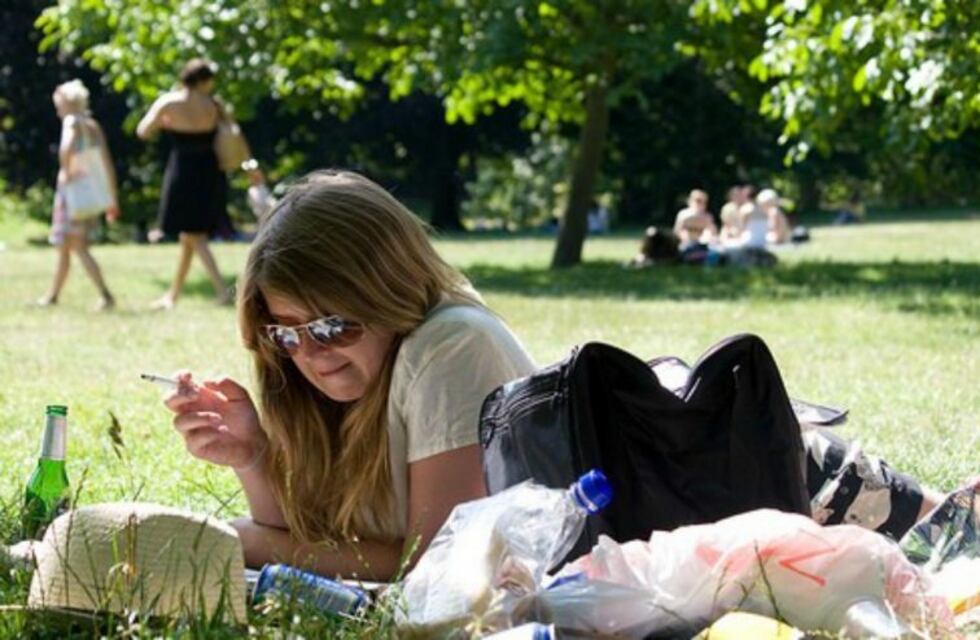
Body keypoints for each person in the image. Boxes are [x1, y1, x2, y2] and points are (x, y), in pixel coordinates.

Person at [162, 170, 536, 580]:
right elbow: (314, 540)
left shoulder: (454, 344)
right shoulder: (331, 369)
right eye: (286, 332)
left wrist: (250, 543)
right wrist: (253, 456)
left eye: (331, 325)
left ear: (388, 290)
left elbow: (435, 564)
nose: (309, 352)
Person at [137, 58, 233, 309]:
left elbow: (143, 131)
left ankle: (222, 290)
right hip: (209, 170)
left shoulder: (169, 102)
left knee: (194, 235)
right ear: (203, 80)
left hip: (183, 169)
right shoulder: (214, 105)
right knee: (189, 236)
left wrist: (165, 123)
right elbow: (231, 133)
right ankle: (173, 295)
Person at [36, 79, 119, 311]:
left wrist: (67, 170)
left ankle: (106, 294)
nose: (57, 109)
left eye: (59, 103)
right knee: (64, 247)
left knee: (78, 247)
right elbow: (106, 164)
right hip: (90, 194)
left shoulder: (71, 122)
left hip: (72, 194)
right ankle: (52, 296)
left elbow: (66, 148)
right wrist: (111, 197)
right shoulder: (93, 126)